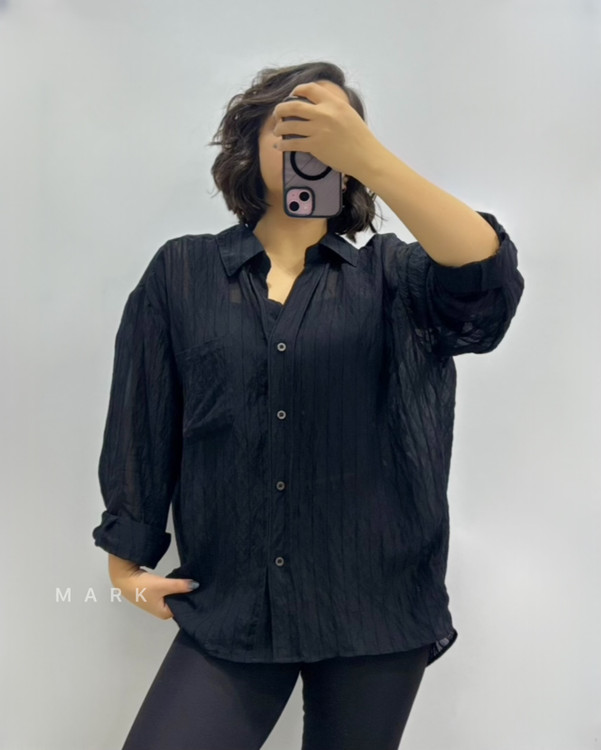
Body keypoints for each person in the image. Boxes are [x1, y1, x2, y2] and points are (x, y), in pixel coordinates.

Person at [92, 61, 525, 749]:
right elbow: (142, 418)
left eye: (332, 129)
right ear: (250, 144)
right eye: (290, 124)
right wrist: (126, 565)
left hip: (376, 606)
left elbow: (483, 276)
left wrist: (371, 160)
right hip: (232, 603)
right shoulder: (182, 272)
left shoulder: (396, 275)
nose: (311, 141)